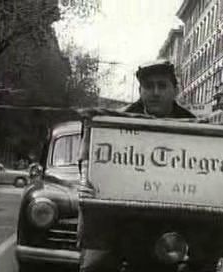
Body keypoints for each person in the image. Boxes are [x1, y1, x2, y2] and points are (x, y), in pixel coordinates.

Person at [78, 59, 195, 272]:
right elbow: (89, 161)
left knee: (201, 263)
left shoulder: (194, 124)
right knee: (96, 264)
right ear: (140, 91)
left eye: (162, 85)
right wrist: (86, 181)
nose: (156, 92)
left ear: (175, 89)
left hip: (175, 217)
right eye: (149, 86)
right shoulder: (115, 121)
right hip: (122, 215)